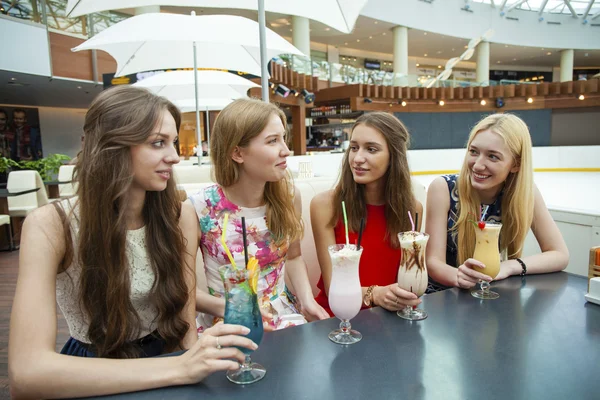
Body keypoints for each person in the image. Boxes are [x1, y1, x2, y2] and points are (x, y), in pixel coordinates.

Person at [9, 86, 256, 399]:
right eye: (158, 143)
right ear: (110, 146)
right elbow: (26, 373)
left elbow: (184, 313)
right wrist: (180, 368)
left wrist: (194, 357)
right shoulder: (50, 225)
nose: (175, 156)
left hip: (167, 353)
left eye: (174, 142)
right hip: (94, 368)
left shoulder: (177, 215)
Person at [187, 98, 329, 333]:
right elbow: (185, 292)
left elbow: (293, 258)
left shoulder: (289, 197)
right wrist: (235, 310)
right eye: (273, 141)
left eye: (283, 138)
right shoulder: (197, 208)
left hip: (281, 317)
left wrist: (306, 301)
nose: (286, 150)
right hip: (225, 320)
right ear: (237, 153)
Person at [425, 113, 569, 293]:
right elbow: (433, 262)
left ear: (516, 164)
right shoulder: (443, 189)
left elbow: (559, 254)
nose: (478, 165)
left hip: (489, 294)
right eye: (474, 151)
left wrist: (509, 266)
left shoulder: (524, 193)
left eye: (492, 157)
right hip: (442, 298)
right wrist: (459, 276)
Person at [312, 112, 423, 316]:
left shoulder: (412, 210)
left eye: (371, 149)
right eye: (354, 148)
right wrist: (375, 294)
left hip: (392, 316)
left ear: (394, 157)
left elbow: (410, 276)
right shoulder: (326, 205)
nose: (357, 158)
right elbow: (332, 287)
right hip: (339, 318)